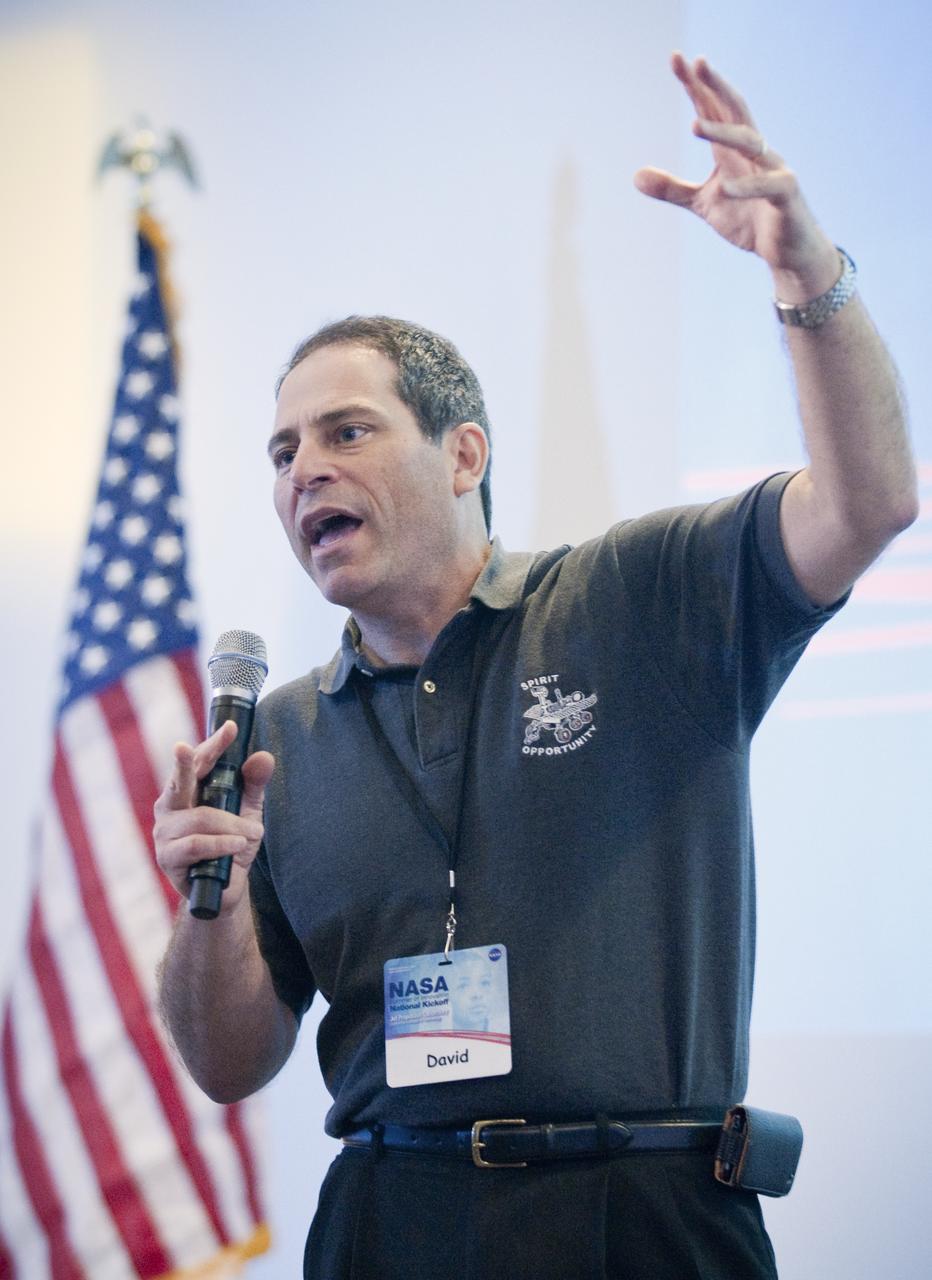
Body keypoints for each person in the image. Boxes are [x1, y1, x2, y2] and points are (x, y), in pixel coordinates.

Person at [155, 52, 917, 1279]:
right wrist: (210, 902)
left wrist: (803, 276)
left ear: (463, 454)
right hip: (389, 1219)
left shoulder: (637, 595)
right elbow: (226, 1060)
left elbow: (868, 500)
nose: (304, 471)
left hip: (640, 1211)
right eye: (282, 451)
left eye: (347, 431)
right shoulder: (273, 745)